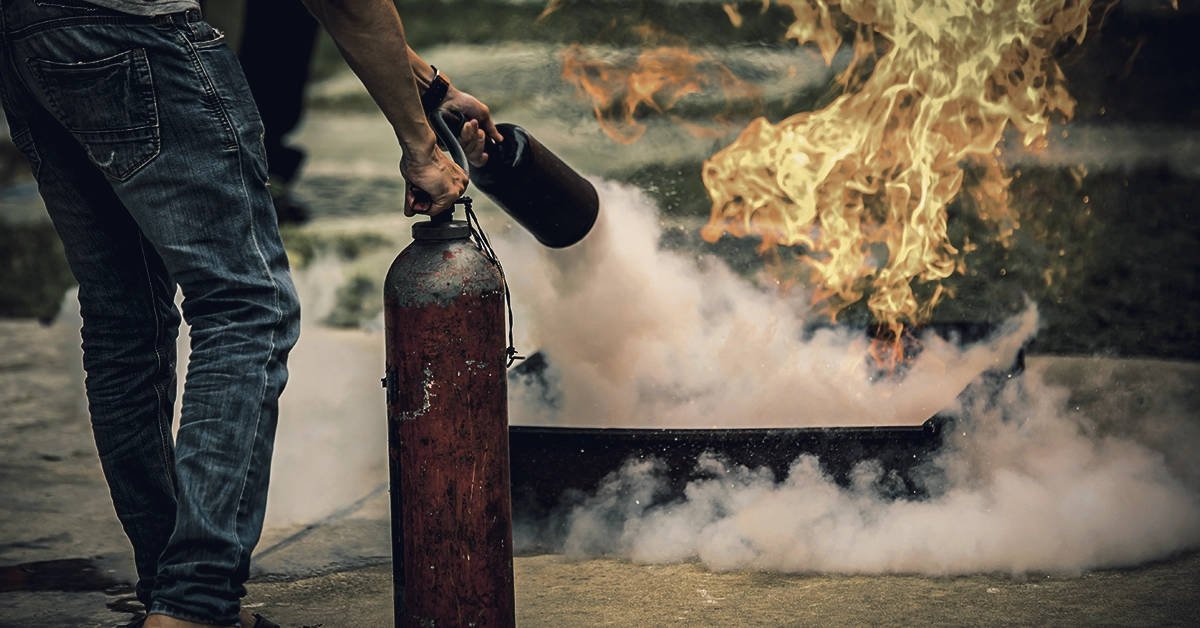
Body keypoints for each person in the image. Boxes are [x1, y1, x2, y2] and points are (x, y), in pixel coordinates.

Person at [0, 0, 499, 626]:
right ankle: (193, 603)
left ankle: (171, 595)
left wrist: (431, 89)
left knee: (125, 320)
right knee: (245, 305)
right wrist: (420, 146)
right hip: (138, 34)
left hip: (27, 40)